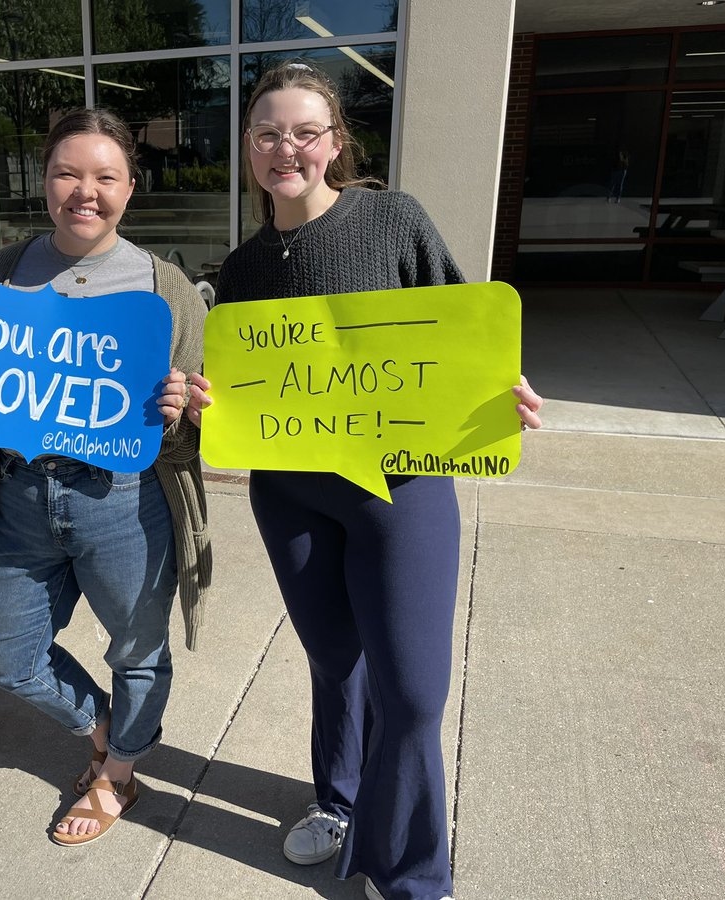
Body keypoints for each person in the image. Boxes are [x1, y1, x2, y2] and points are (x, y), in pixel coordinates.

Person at [184, 62, 544, 900]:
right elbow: (233, 395)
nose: (287, 147)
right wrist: (209, 408)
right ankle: (339, 801)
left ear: (334, 143)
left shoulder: (392, 220)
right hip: (291, 495)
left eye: (305, 131)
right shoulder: (239, 273)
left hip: (402, 490)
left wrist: (502, 389)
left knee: (412, 693)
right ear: (247, 147)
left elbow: (463, 331)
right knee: (335, 661)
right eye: (268, 131)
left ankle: (413, 874)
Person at [0, 108, 210, 845]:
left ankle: (119, 772)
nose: (83, 192)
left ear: (130, 185)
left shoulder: (165, 289)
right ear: (44, 182)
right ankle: (103, 727)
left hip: (125, 502)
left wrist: (182, 414)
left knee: (137, 648)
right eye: (67, 173)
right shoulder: (0, 272)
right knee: (2, 654)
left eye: (104, 176)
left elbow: (193, 439)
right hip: (20, 498)